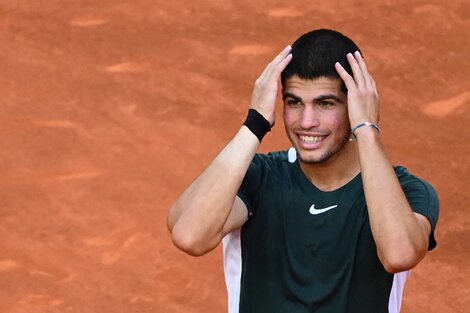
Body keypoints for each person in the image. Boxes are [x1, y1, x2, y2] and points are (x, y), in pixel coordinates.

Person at [167, 29, 439, 313]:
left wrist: (367, 128)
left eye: (325, 104)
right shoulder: (259, 178)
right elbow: (189, 235)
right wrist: (255, 123)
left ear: (356, 104)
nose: (306, 122)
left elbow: (400, 254)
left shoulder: (405, 192)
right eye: (294, 102)